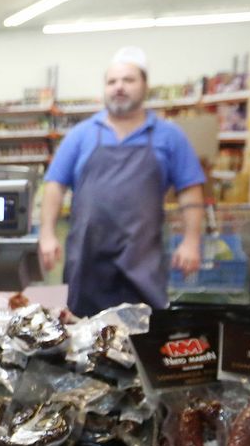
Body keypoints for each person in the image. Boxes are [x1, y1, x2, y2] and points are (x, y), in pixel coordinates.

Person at [39, 46, 206, 317]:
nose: (119, 87)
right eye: (112, 81)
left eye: (128, 80)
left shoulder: (168, 136)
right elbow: (55, 185)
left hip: (141, 261)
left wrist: (191, 241)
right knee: (82, 332)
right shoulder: (81, 135)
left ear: (145, 86)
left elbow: (190, 190)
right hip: (87, 259)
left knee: (143, 331)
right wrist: (47, 234)